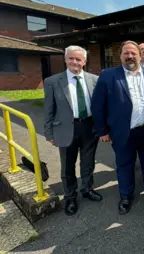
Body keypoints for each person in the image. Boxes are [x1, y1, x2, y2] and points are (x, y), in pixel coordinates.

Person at [91, 40, 144, 215]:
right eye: (126, 53)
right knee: (124, 164)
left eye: (134, 53)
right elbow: (98, 106)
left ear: (140, 55)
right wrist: (102, 131)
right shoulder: (108, 75)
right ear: (121, 56)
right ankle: (126, 195)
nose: (130, 56)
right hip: (122, 131)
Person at [43, 45, 102, 216]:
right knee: (67, 166)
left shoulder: (94, 80)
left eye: (78, 59)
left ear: (84, 61)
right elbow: (48, 109)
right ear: (65, 59)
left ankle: (87, 189)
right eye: (71, 58)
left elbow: (99, 106)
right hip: (65, 128)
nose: (75, 62)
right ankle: (70, 197)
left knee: (88, 162)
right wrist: (49, 133)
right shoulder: (53, 82)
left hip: (89, 127)